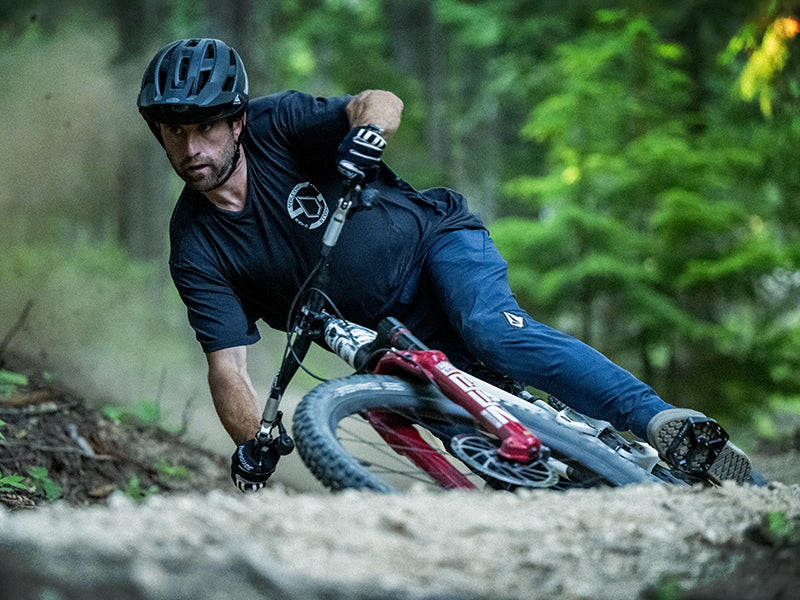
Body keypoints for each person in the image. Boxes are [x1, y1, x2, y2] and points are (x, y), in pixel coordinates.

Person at [137, 38, 752, 492]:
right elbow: (228, 368)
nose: (191, 148)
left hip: (436, 245)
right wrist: (253, 440)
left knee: (490, 331)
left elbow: (378, 101)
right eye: (174, 132)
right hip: (385, 336)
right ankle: (596, 490)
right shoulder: (195, 246)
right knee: (480, 443)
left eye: (206, 127)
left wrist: (368, 135)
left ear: (237, 121)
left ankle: (662, 420)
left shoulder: (277, 124)